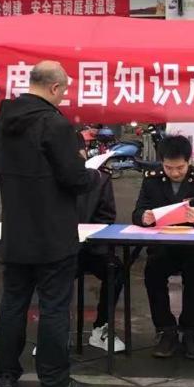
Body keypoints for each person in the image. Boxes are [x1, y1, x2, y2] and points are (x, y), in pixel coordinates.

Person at [0, 61, 98, 387]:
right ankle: (54, 383)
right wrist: (93, 172)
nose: (64, 96)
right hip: (52, 234)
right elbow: (75, 178)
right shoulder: (55, 124)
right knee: (53, 308)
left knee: (13, 305)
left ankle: (6, 377)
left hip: (15, 232)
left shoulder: (1, 123)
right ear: (54, 88)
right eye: (64, 90)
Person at [132, 134, 194, 359]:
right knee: (153, 273)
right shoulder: (151, 179)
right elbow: (138, 211)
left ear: (189, 161)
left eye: (180, 167)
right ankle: (166, 329)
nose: (174, 173)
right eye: (169, 168)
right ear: (161, 163)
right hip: (163, 245)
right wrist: (144, 218)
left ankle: (190, 330)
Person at [74, 133, 125, 353]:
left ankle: (101, 327)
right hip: (60, 247)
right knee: (49, 271)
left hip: (92, 246)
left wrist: (90, 238)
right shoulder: (47, 177)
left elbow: (106, 217)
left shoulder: (99, 177)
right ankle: (52, 332)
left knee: (116, 271)